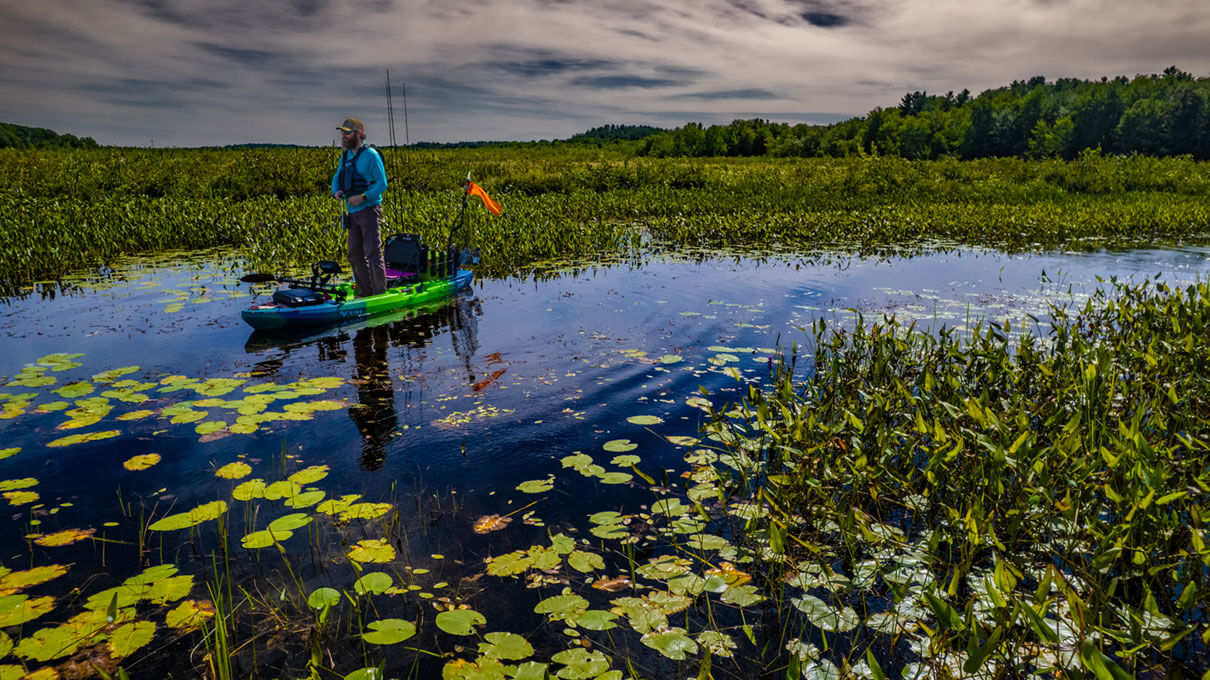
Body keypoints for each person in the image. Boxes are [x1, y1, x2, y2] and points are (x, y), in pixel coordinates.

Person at [332, 118, 388, 297]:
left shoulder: (371, 155)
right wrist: (336, 192)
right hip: (352, 213)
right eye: (342, 133)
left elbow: (382, 184)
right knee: (354, 254)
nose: (343, 136)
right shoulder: (345, 156)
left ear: (358, 134)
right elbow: (336, 178)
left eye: (347, 133)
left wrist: (363, 197)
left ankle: (379, 293)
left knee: (372, 253)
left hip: (369, 210)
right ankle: (364, 292)